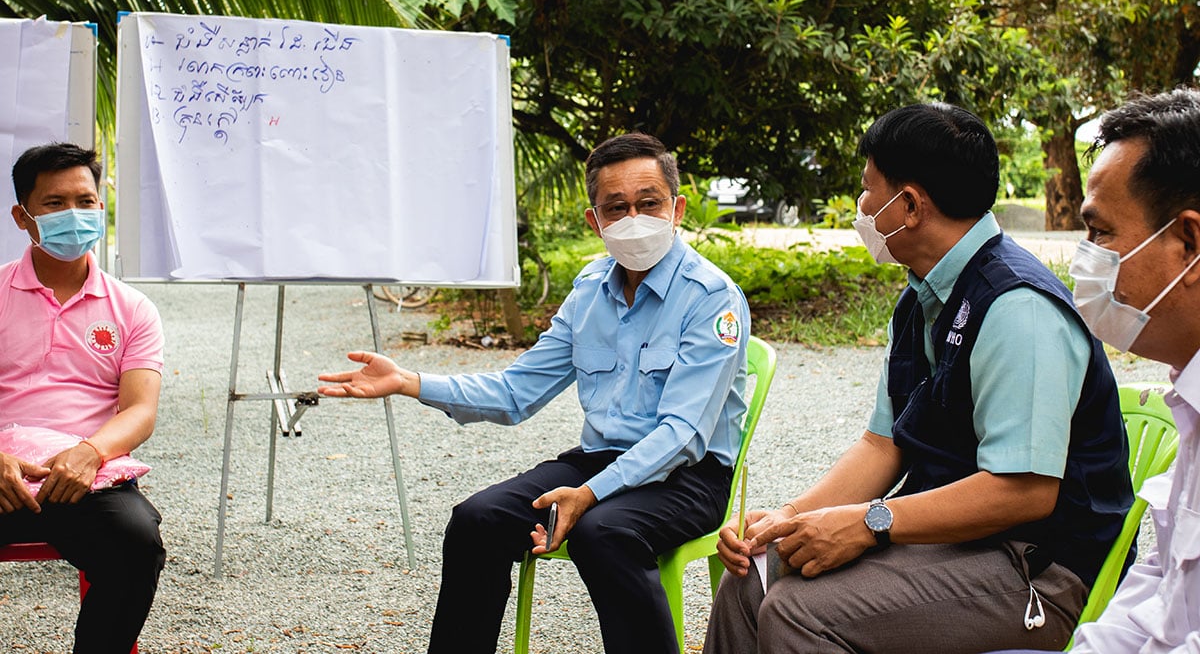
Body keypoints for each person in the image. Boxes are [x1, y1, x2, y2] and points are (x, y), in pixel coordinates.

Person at [704, 103, 1134, 654]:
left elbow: (1023, 492)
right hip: (952, 544)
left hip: (1038, 570)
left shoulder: (1017, 308)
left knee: (800, 613)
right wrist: (789, 518)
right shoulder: (921, 299)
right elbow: (882, 445)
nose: (861, 207)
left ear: (908, 206)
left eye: (867, 190)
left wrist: (869, 521)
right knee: (751, 579)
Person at [318, 132, 751, 654]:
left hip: (688, 476)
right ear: (595, 221)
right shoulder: (590, 290)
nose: (634, 218)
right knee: (476, 520)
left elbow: (682, 434)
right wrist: (409, 382)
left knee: (603, 533)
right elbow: (515, 391)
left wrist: (589, 495)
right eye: (617, 208)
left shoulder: (710, 297)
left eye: (649, 203)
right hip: (600, 460)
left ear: (676, 209)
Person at [988, 88, 1200, 653]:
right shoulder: (1189, 396)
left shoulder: (1015, 301)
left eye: (1101, 232)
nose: (1085, 257)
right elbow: (1162, 588)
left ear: (1189, 242)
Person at [0, 143, 166, 654]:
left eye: (85, 201)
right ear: (23, 217)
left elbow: (140, 410)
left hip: (84, 477)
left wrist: (90, 452)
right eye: (54, 204)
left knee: (136, 544)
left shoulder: (133, 308)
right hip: (1, 471)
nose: (74, 215)